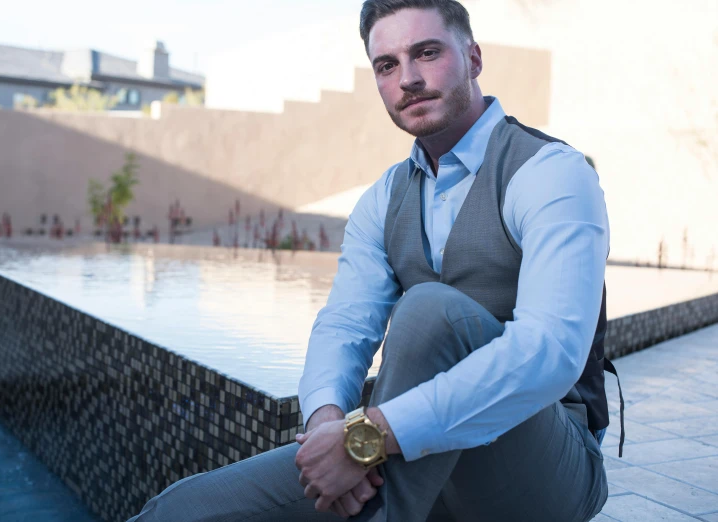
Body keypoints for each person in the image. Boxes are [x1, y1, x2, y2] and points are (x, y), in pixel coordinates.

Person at [128, 0, 620, 520]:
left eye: (427, 53)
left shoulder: (550, 173)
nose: (407, 79)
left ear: (473, 58)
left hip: (548, 468)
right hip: (414, 450)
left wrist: (369, 436)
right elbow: (345, 323)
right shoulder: (384, 198)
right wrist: (326, 427)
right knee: (181, 509)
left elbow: (550, 352)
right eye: (387, 65)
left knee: (430, 312)